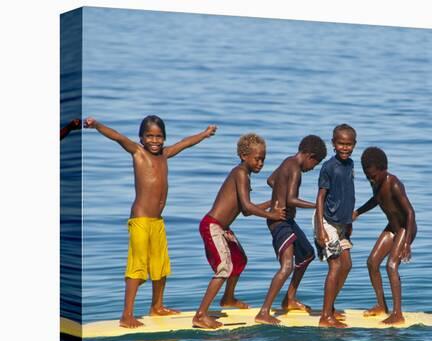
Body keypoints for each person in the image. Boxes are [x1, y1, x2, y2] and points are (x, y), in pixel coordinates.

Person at [84, 115, 217, 328]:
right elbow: (117, 137)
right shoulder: (138, 152)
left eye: (159, 137)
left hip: (157, 221)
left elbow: (185, 143)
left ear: (164, 138)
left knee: (160, 265)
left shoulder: (165, 154)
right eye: (149, 136)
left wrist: (204, 133)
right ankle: (126, 314)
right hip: (141, 220)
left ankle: (157, 306)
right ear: (141, 138)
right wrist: (97, 125)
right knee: (137, 267)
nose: (154, 141)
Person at [193, 133, 287, 329]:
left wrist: (273, 201)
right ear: (244, 156)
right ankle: (200, 315)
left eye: (263, 159)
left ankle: (228, 298)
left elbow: (244, 210)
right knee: (224, 267)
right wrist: (273, 215)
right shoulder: (240, 173)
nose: (261, 163)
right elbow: (248, 206)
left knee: (239, 259)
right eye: (257, 158)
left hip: (223, 228)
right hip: (213, 226)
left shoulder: (244, 175)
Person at [255, 135, 327, 325]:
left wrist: (279, 194)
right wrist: (317, 206)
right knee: (287, 266)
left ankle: (289, 299)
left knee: (307, 255)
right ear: (310, 156)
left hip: (287, 221)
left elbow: (271, 180)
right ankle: (263, 312)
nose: (312, 168)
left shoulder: (287, 161)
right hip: (280, 223)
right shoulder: (296, 169)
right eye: (315, 164)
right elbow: (291, 200)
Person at [353, 146, 416, 325]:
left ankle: (397, 313)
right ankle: (382, 305)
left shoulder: (394, 183)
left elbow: (410, 213)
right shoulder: (376, 183)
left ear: (383, 169)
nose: (371, 179)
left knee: (391, 266)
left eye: (373, 176)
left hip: (405, 227)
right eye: (367, 176)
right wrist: (358, 212)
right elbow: (376, 200)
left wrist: (406, 244)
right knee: (372, 262)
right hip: (392, 227)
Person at [314, 124, 357, 328]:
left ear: (354, 145)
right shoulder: (328, 167)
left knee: (347, 265)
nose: (345, 148)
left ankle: (330, 307)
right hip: (326, 222)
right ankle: (325, 316)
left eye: (349, 144)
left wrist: (348, 222)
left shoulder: (350, 165)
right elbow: (320, 197)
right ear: (333, 144)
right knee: (336, 264)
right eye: (341, 143)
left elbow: (349, 194)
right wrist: (320, 228)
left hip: (342, 224)